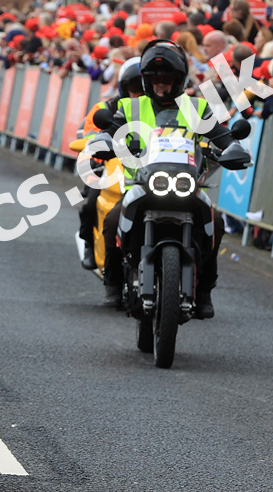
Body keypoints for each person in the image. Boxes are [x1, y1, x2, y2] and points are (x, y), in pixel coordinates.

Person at [96, 40, 237, 317]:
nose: (162, 85)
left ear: (179, 80)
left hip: (189, 186)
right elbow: (109, 131)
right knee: (112, 222)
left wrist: (234, 149)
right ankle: (112, 284)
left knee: (216, 224)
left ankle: (205, 290)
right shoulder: (129, 107)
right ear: (147, 81)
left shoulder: (197, 108)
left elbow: (223, 137)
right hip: (141, 184)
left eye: (168, 79)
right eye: (155, 79)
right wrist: (101, 145)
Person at [78, 57, 143, 270]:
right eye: (134, 88)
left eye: (144, 89)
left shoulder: (163, 111)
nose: (138, 94)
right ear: (124, 87)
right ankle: (88, 242)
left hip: (151, 171)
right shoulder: (105, 107)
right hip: (110, 168)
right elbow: (88, 135)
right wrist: (95, 147)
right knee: (90, 204)